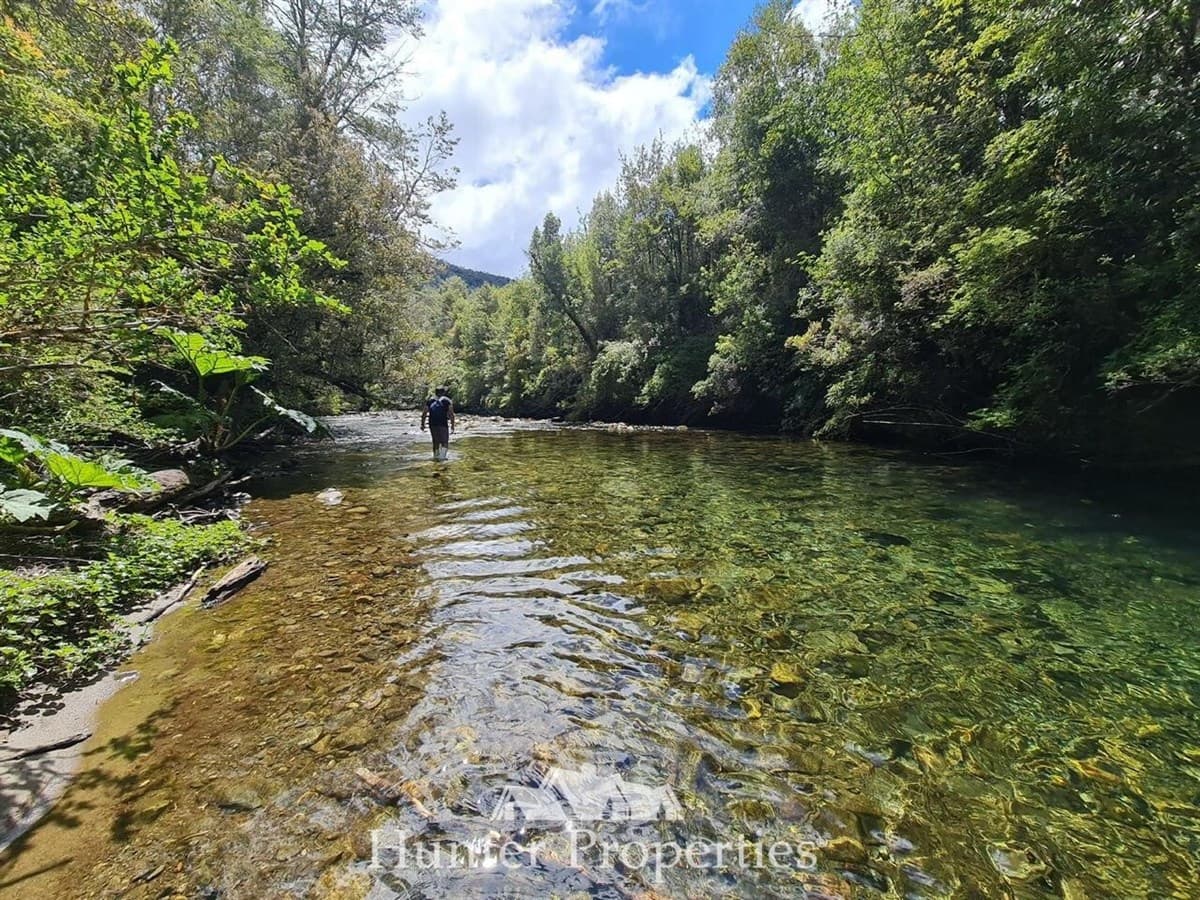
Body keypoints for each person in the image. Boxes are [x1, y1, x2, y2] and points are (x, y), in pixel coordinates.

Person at [420, 386, 455, 460]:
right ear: (443, 392)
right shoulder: (447, 400)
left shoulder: (430, 400)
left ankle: (436, 457)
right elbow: (451, 414)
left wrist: (422, 425)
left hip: (432, 423)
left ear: (435, 393)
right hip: (443, 423)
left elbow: (424, 413)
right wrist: (452, 425)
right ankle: (442, 458)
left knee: (435, 442)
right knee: (444, 441)